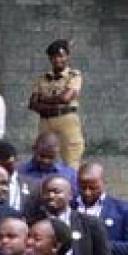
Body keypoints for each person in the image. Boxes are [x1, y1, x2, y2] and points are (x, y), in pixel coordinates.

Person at [28, 40, 84, 168]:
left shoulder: (73, 76)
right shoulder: (42, 78)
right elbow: (32, 103)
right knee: (43, 156)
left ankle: (71, 187)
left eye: (61, 56)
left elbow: (66, 98)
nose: (58, 60)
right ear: (50, 59)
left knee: (71, 159)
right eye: (54, 57)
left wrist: (43, 99)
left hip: (66, 119)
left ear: (67, 57)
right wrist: (54, 102)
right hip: (45, 121)